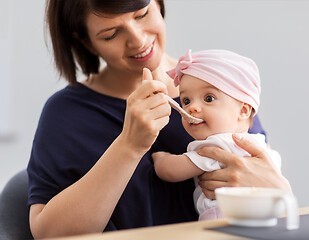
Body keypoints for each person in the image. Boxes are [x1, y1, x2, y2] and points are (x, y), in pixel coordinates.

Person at [27, 0, 292, 238]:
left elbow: (271, 192)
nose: (138, 40)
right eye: (111, 34)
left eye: (142, 14)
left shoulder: (218, 87)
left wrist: (279, 189)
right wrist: (130, 145)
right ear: (85, 41)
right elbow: (48, 233)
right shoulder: (67, 114)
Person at [152, 49, 283, 221]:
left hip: (220, 218)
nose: (192, 108)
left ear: (243, 110)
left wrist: (160, 158)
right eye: (186, 101)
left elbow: (171, 171)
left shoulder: (217, 145)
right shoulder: (259, 145)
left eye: (208, 98)